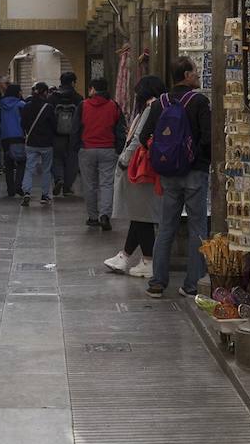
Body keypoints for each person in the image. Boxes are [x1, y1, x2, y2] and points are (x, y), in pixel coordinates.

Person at [139, 56, 211, 298]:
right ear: (188, 76)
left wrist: (163, 156)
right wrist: (199, 158)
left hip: (169, 175)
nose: (199, 75)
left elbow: (143, 136)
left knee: (166, 227)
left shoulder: (160, 103)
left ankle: (158, 282)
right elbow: (208, 138)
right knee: (198, 228)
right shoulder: (199, 101)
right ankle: (192, 285)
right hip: (194, 173)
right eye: (196, 72)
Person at [104, 75, 167, 276]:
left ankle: (148, 261)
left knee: (142, 216)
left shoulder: (150, 109)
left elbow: (138, 139)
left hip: (140, 170)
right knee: (139, 214)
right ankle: (124, 256)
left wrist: (123, 159)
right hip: (148, 169)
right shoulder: (161, 106)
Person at [77, 77, 123, 230]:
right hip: (108, 149)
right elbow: (120, 129)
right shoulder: (114, 106)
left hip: (87, 149)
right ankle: (105, 215)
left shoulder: (83, 105)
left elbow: (75, 128)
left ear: (93, 90)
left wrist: (76, 147)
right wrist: (119, 148)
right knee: (107, 184)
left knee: (89, 184)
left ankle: (92, 217)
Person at [20, 81, 57, 206]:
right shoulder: (49, 107)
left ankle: (26, 193)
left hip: (31, 143)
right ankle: (45, 195)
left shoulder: (26, 106)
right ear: (45, 92)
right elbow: (54, 125)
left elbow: (23, 124)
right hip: (46, 143)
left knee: (29, 168)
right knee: (46, 170)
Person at [49, 71, 83, 197]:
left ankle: (59, 179)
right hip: (73, 136)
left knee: (56, 158)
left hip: (56, 135)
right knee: (72, 160)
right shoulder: (78, 98)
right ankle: (67, 187)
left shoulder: (52, 97)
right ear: (73, 83)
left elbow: (49, 116)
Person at [0, 84, 27, 197]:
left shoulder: (2, 104)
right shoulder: (21, 105)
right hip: (18, 135)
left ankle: (10, 189)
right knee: (21, 161)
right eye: (20, 91)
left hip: (5, 136)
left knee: (8, 163)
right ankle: (18, 185)